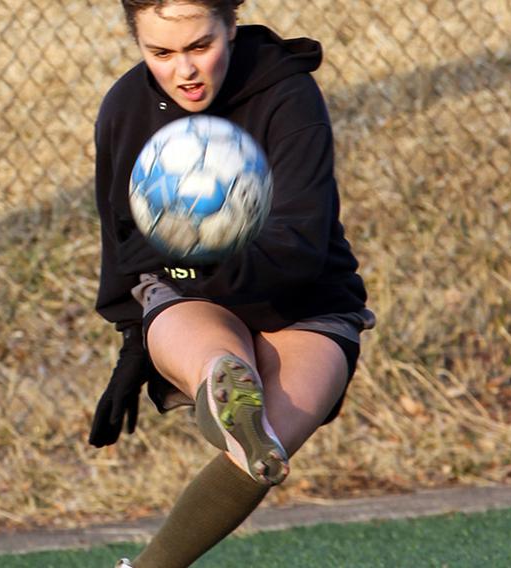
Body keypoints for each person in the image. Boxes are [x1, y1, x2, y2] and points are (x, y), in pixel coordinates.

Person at [87, 1, 375, 566]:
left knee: (261, 449)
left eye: (200, 46)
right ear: (139, 43)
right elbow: (120, 239)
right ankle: (222, 377)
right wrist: (131, 338)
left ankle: (232, 405)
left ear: (232, 27)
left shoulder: (289, 97)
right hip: (194, 298)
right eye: (161, 53)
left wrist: (202, 257)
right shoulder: (126, 107)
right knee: (216, 357)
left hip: (306, 303)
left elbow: (300, 244)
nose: (184, 70)